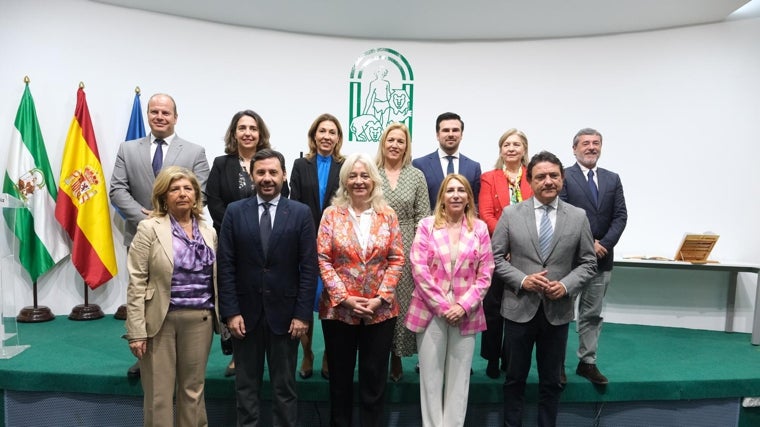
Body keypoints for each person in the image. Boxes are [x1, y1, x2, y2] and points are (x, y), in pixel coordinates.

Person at [492, 151, 597, 427]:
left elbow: (588, 262)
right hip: (518, 310)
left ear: (562, 179)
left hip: (557, 312)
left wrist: (565, 285)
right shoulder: (511, 214)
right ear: (530, 181)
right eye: (541, 177)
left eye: (553, 176)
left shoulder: (578, 216)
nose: (548, 181)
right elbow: (493, 259)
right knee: (514, 379)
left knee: (551, 381)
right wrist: (522, 280)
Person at [111, 92, 210, 379]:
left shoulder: (194, 151)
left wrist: (168, 221)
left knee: (175, 299)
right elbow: (117, 189)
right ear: (148, 116)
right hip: (142, 236)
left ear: (175, 117)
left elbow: (198, 191)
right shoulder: (128, 149)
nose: (160, 116)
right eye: (154, 112)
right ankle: (145, 355)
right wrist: (150, 220)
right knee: (144, 295)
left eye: (166, 113)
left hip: (183, 244)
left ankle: (179, 357)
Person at [217, 149, 318, 427]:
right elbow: (225, 266)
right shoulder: (235, 212)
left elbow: (309, 268)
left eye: (273, 172)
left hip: (287, 318)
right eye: (260, 172)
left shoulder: (300, 213)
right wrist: (230, 312)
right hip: (243, 318)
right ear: (252, 175)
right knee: (246, 390)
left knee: (284, 391)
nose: (267, 178)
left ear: (284, 175)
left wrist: (302, 315)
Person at [124, 166, 218, 427]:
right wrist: (136, 331)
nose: (182, 194)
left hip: (201, 319)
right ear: (164, 196)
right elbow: (136, 282)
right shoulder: (149, 228)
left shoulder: (208, 231)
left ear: (196, 195)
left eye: (188, 188)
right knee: (159, 394)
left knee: (193, 390)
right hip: (160, 321)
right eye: (174, 189)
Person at [317, 153, 404, 427]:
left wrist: (380, 299)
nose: (359, 181)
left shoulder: (387, 215)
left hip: (380, 312)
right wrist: (344, 299)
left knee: (374, 381)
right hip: (339, 312)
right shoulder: (331, 214)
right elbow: (323, 258)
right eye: (353, 176)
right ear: (344, 180)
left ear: (374, 180)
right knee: (340, 382)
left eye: (364, 175)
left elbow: (397, 258)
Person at [405, 174, 494, 427]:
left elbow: (486, 273)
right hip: (431, 310)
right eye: (450, 190)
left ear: (468, 197)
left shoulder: (479, 229)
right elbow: (418, 268)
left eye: (461, 191)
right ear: (442, 197)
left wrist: (463, 306)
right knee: (431, 380)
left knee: (459, 380)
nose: (456, 195)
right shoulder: (426, 225)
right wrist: (444, 307)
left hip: (467, 311)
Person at [206, 110, 286, 377]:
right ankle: (236, 354)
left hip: (266, 243)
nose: (248, 133)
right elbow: (214, 200)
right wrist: (234, 225)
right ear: (234, 133)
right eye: (242, 128)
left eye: (253, 128)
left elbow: (281, 197)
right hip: (231, 240)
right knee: (231, 291)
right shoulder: (221, 163)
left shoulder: (270, 162)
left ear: (260, 133)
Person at [559, 128, 627, 385]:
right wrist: (590, 244)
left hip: (602, 259)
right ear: (574, 148)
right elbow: (562, 212)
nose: (591, 147)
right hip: (569, 259)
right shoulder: (563, 176)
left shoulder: (612, 179)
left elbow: (621, 216)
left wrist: (605, 244)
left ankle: (587, 362)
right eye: (585, 143)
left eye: (596, 143)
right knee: (562, 313)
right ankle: (557, 365)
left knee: (592, 314)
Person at [289, 113, 345, 380]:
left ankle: (328, 355)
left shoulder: (345, 165)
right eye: (322, 131)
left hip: (337, 245)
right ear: (314, 136)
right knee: (307, 296)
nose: (327, 136)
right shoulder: (301, 164)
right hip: (306, 241)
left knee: (331, 300)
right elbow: (295, 202)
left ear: (338, 138)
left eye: (332, 132)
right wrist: (305, 236)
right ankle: (308, 352)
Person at [374, 123, 429, 382]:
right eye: (391, 140)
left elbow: (423, 215)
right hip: (375, 244)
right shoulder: (371, 172)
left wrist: (418, 251)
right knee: (378, 300)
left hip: (407, 245)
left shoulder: (416, 175)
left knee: (401, 302)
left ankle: (396, 356)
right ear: (383, 143)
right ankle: (377, 354)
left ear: (407, 146)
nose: (395, 145)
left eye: (400, 141)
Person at [478, 129, 533, 379]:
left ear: (524, 150)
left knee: (518, 308)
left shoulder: (534, 177)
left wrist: (518, 245)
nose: (511, 148)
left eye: (516, 144)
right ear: (501, 150)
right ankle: (491, 357)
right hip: (497, 252)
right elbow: (486, 214)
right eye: (506, 144)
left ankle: (510, 358)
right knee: (492, 306)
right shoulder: (490, 177)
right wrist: (506, 244)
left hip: (527, 253)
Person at [412, 112, 481, 211]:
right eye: (445, 130)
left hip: (464, 224)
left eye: (455, 130)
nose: (451, 134)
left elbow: (476, 204)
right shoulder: (420, 165)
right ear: (437, 135)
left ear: (461, 135)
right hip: (431, 224)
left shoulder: (473, 167)